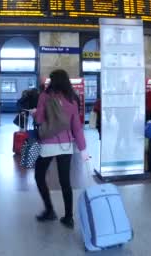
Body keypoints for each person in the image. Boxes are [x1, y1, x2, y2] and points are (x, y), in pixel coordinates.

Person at [30, 69, 89, 229]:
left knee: (39, 176)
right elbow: (76, 127)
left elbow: (40, 119)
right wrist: (83, 149)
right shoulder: (72, 100)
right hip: (66, 146)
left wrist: (35, 113)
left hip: (48, 144)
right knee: (65, 182)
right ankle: (69, 217)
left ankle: (49, 210)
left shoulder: (44, 96)